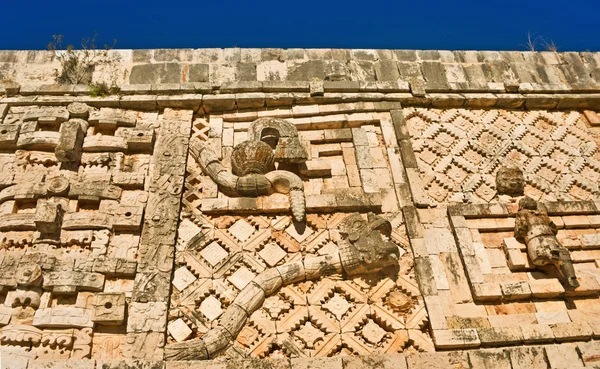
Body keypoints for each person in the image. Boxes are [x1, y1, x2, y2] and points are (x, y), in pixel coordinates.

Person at [514, 196, 579, 288]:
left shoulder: (539, 213)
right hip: (538, 238)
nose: (532, 201)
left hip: (543, 238)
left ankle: (571, 278)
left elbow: (521, 230)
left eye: (532, 200)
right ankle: (570, 277)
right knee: (560, 255)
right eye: (529, 200)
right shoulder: (525, 213)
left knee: (562, 254)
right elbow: (521, 229)